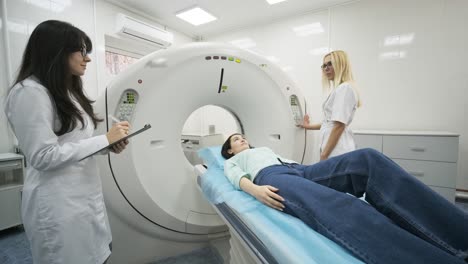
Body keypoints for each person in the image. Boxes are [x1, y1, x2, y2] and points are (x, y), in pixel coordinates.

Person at [221, 133, 468, 264]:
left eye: (242, 136)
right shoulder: (233, 160)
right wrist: (254, 189)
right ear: (230, 150)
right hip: (272, 177)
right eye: (235, 139)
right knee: (342, 205)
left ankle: (461, 238)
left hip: (301, 169)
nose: (242, 139)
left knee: (368, 160)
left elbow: (297, 167)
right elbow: (235, 176)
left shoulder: (263, 150)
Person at [4, 20, 130, 264]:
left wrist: (106, 146)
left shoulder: (68, 92)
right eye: (82, 51)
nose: (88, 59)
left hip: (83, 195)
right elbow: (42, 155)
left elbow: (75, 142)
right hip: (57, 202)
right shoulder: (29, 92)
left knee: (98, 256)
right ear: (57, 51)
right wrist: (103, 139)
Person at [299, 50, 361, 160]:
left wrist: (324, 155)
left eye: (330, 64)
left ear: (341, 64)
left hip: (338, 150)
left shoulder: (345, 88)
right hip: (335, 149)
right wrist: (307, 126)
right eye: (324, 65)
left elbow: (339, 126)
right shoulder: (340, 89)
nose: (326, 68)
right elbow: (329, 123)